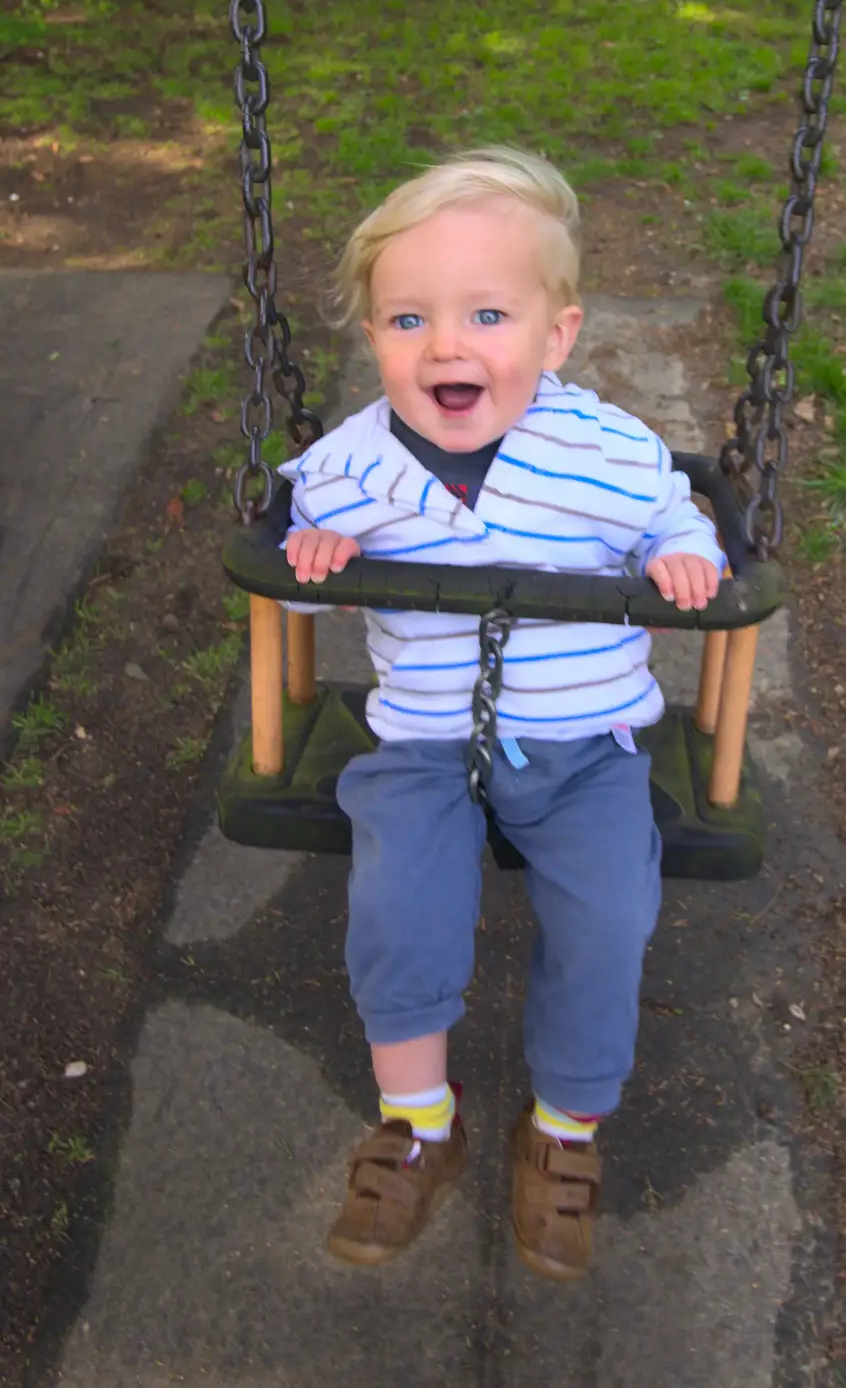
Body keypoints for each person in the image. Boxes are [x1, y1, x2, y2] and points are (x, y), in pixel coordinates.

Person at [281, 146, 724, 1280]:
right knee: (394, 903)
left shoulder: (605, 451)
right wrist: (313, 556)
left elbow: (675, 519)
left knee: (609, 914)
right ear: (374, 334)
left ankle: (565, 1131)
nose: (445, 346)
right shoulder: (348, 463)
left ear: (556, 334)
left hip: (584, 748)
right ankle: (417, 1123)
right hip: (424, 742)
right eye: (406, 318)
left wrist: (679, 555)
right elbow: (285, 570)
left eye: (486, 312)